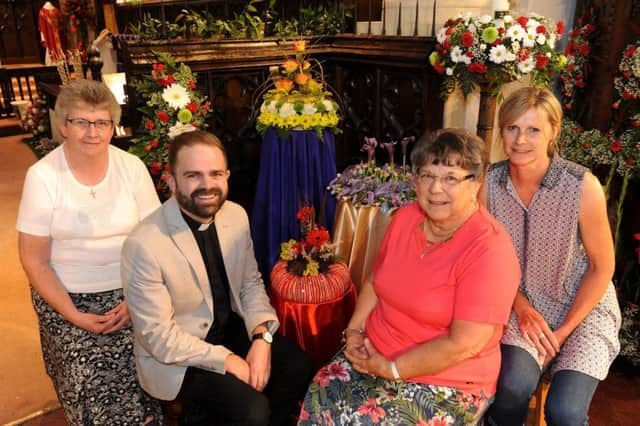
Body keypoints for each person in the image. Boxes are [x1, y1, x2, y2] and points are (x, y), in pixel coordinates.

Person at [298, 128, 521, 425]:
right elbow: (375, 283)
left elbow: (463, 344)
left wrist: (392, 369)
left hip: (447, 382)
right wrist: (354, 332)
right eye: (427, 175)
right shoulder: (405, 218)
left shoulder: (490, 250)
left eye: (451, 178)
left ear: (476, 184)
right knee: (321, 391)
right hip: (375, 353)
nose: (435, 189)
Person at [121, 130, 314, 426]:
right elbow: (158, 338)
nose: (207, 185)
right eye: (193, 175)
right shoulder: (144, 244)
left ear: (226, 175)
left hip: (228, 326)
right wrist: (227, 360)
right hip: (178, 354)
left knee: (299, 368)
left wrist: (262, 338)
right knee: (251, 411)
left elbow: (250, 283)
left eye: (215, 174)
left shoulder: (235, 215)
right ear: (171, 182)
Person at [16, 79, 162, 425]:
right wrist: (74, 316)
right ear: (64, 126)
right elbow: (34, 260)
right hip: (67, 298)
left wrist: (134, 299)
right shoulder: (43, 176)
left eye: (101, 122)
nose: (92, 133)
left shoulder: (131, 168)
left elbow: (156, 242)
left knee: (143, 368)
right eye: (81, 122)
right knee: (87, 375)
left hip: (131, 291)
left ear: (113, 126)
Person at [482, 87, 621, 426]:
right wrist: (521, 306)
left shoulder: (581, 186)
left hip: (584, 308)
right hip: (520, 307)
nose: (520, 140)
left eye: (533, 130)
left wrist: (562, 332)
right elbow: (484, 260)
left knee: (566, 412)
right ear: (501, 130)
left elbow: (602, 267)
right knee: (512, 389)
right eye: (511, 128)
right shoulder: (488, 183)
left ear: (553, 131)